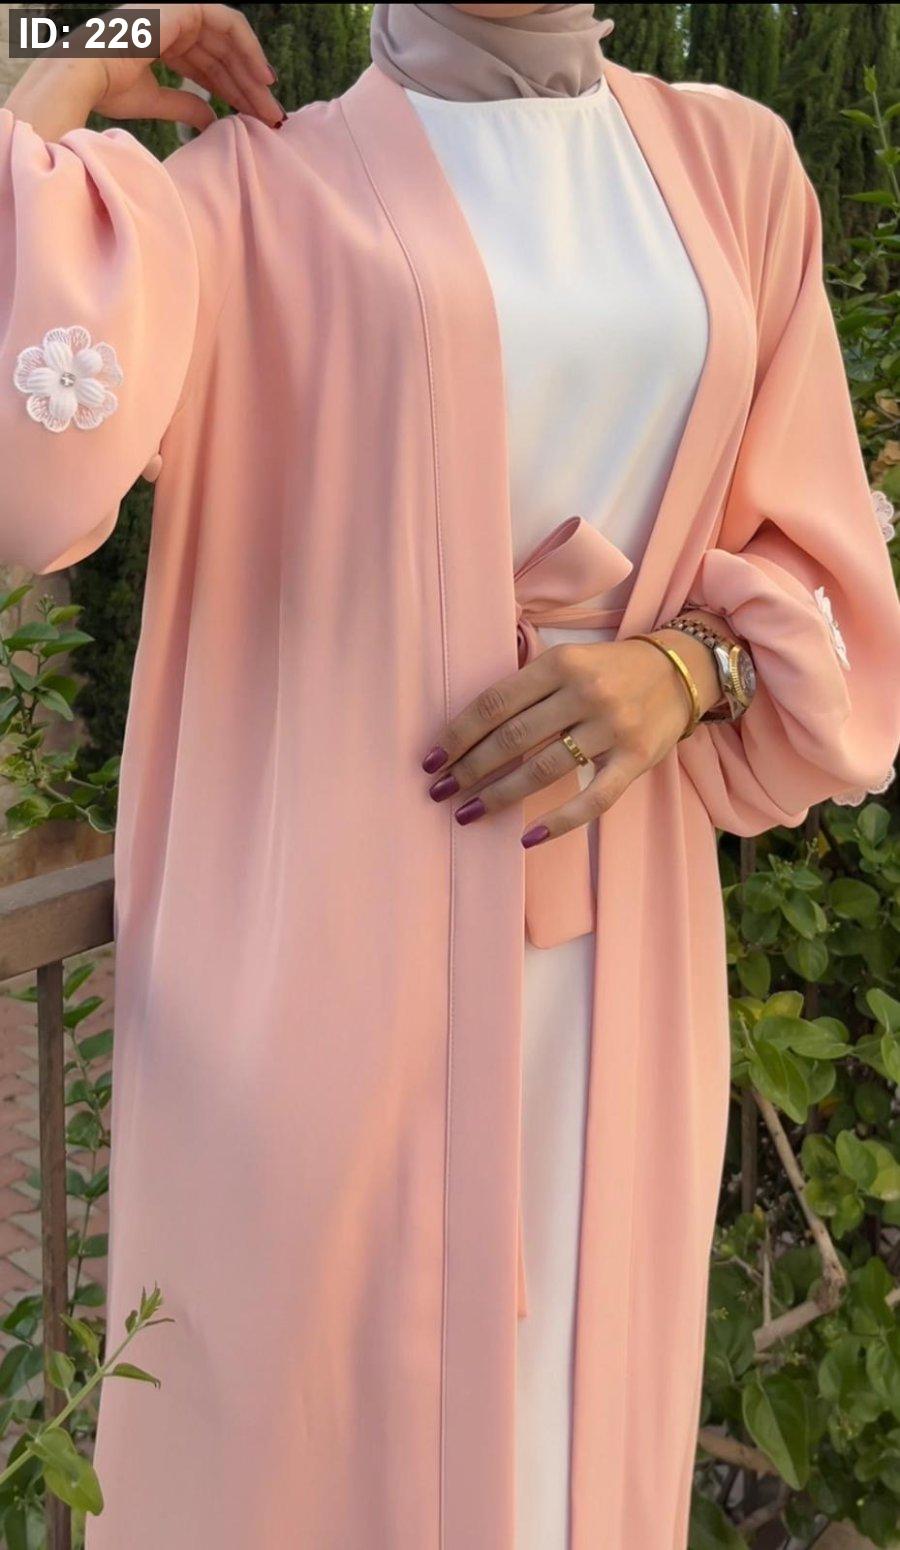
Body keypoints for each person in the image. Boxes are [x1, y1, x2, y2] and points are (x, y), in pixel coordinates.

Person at [2, 6, 899, 1547]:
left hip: (617, 952)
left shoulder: (733, 166)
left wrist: (690, 665)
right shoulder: (249, 196)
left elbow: (821, 555)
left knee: (570, 1437)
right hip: (318, 966)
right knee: (302, 1441)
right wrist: (70, 49)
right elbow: (30, 483)